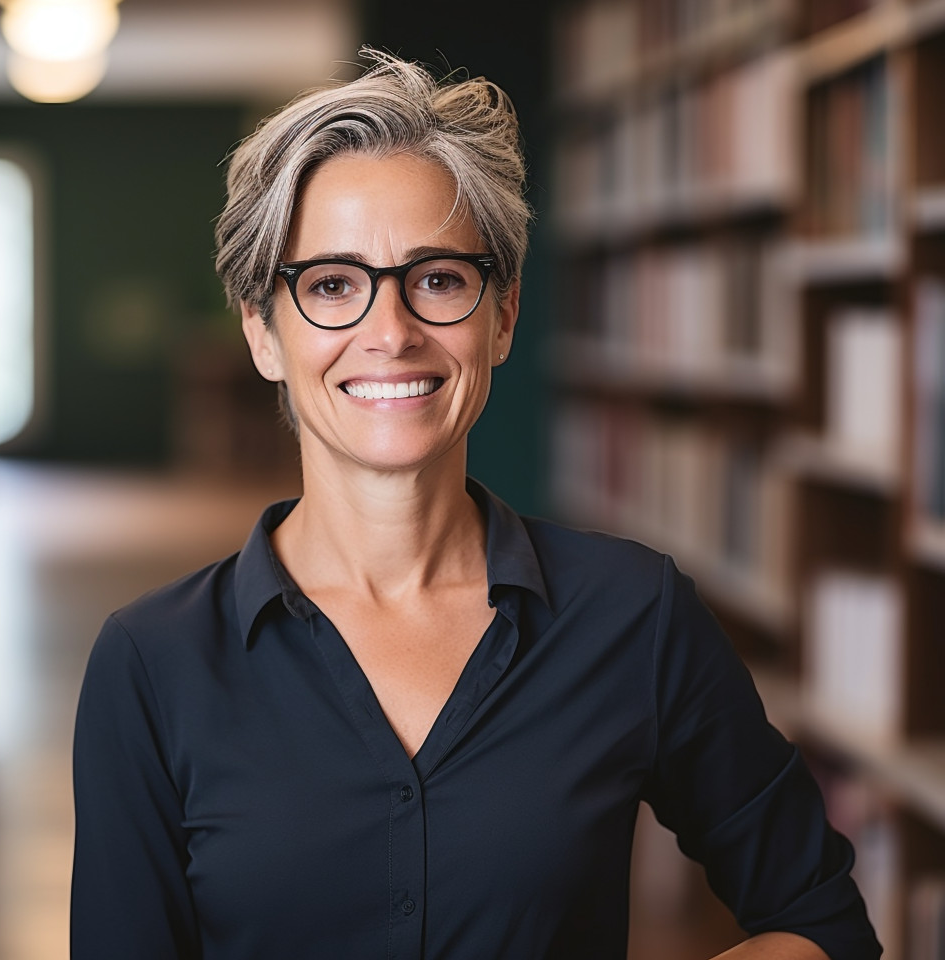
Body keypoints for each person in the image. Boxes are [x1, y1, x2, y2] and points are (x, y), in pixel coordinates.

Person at [70, 49, 881, 960]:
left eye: (439, 279)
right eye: (332, 285)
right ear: (264, 333)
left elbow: (820, 922)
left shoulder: (633, 614)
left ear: (502, 317)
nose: (390, 332)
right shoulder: (153, 663)